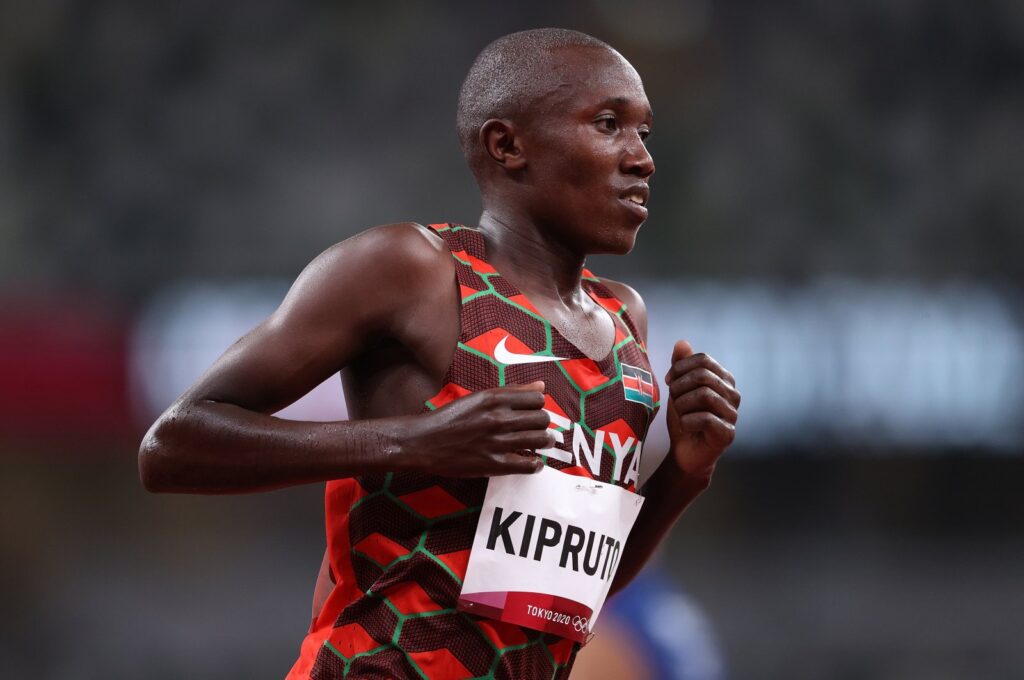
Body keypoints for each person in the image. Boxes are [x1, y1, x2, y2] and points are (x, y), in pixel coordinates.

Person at [139, 27, 740, 680]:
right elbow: (173, 444)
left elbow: (564, 599)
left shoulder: (625, 320)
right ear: (507, 145)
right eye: (607, 124)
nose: (642, 158)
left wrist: (683, 472)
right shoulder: (409, 270)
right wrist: (410, 441)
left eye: (644, 133)